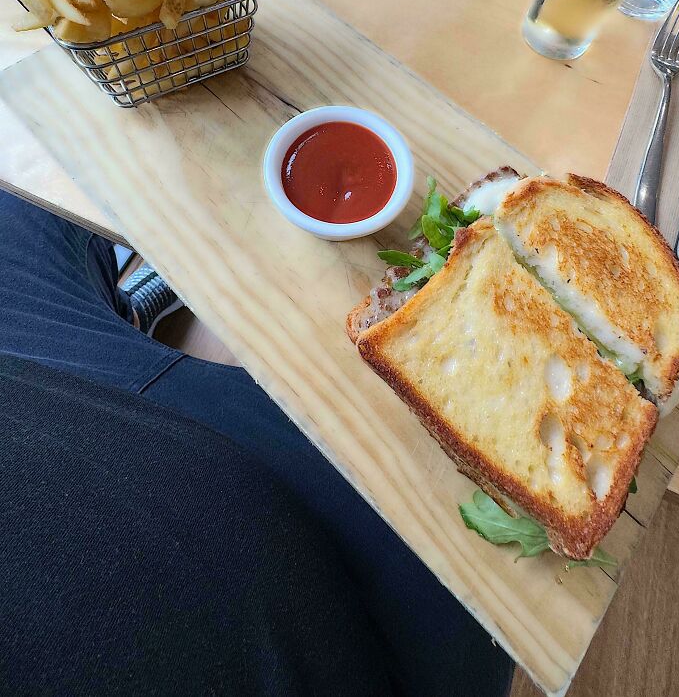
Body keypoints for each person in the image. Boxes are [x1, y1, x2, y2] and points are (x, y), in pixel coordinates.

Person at [0, 190, 514, 697]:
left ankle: (131, 316)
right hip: (254, 563)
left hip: (37, 396)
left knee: (18, 211)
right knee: (465, 498)